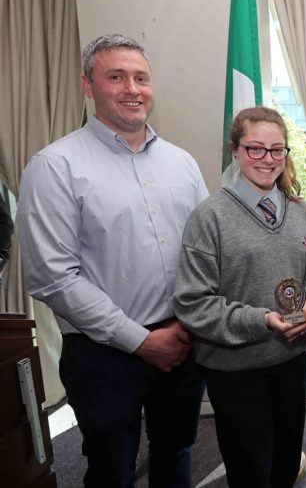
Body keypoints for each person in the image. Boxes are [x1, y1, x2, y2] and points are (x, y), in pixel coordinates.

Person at [16, 34, 208, 487]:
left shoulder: (182, 163)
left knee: (176, 453)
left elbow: (206, 252)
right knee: (110, 469)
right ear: (88, 85)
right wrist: (141, 341)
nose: (131, 88)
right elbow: (53, 278)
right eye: (115, 76)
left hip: (182, 341)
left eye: (140, 77)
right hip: (102, 355)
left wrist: (185, 326)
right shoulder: (54, 166)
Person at [174, 106, 306, 487]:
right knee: (249, 471)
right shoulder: (209, 217)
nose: (267, 159)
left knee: (286, 463)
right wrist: (261, 321)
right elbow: (193, 303)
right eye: (255, 148)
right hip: (236, 368)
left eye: (277, 150)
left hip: (291, 360)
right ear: (235, 151)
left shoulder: (300, 211)